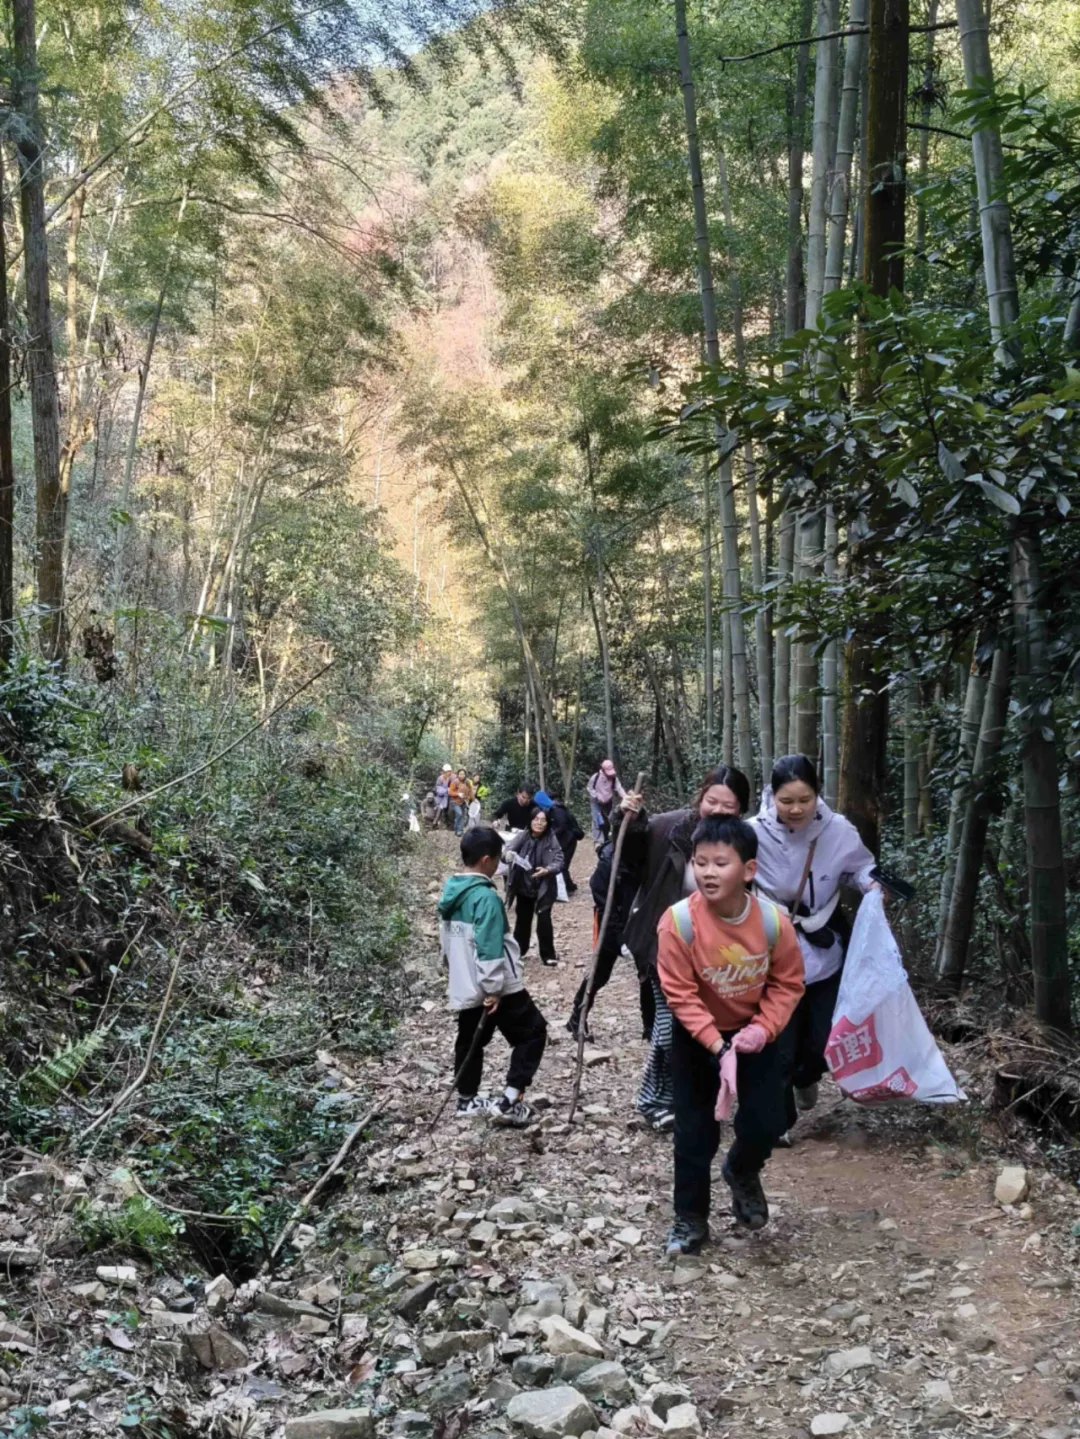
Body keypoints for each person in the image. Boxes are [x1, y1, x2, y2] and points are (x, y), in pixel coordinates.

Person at [658, 815, 804, 1253]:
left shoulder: (774, 923)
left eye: (720, 863)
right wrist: (716, 1045)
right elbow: (680, 994)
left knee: (769, 1120)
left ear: (749, 870)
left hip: (755, 1034)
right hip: (697, 1035)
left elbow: (787, 983)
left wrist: (762, 1029)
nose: (707, 872)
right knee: (694, 1131)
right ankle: (690, 1219)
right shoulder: (678, 923)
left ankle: (742, 1167)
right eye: (700, 862)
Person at [618, 765, 752, 1131]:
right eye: (712, 801)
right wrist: (628, 820)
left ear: (741, 809)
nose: (718, 811)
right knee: (669, 1026)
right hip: (666, 943)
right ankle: (653, 1100)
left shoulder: (744, 842)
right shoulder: (670, 828)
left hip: (716, 953)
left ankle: (676, 1098)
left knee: (694, 1028)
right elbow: (629, 857)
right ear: (700, 797)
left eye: (729, 806)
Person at [751, 754, 878, 1135]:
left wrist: (871, 883)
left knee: (824, 1037)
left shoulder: (838, 830)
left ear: (817, 794)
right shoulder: (752, 833)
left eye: (804, 799)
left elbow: (860, 867)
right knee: (778, 1038)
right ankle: (777, 1119)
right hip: (771, 946)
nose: (796, 809)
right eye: (786, 800)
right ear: (772, 796)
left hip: (823, 945)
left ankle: (807, 1076)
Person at [437, 826, 548, 1128]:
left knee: (471, 1040)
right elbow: (488, 946)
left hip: (466, 980)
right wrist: (493, 988)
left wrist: (455, 973)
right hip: (497, 984)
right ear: (486, 860)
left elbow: (446, 941)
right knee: (533, 1033)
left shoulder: (451, 892)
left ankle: (467, 1100)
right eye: (498, 859)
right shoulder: (485, 898)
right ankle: (510, 1101)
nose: (499, 865)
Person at [505, 807, 564, 966]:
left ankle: (548, 954)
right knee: (523, 919)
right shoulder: (523, 836)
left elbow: (559, 859)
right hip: (523, 885)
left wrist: (548, 870)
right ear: (530, 821)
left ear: (547, 823)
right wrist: (508, 856)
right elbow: (508, 850)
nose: (539, 823)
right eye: (536, 819)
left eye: (543, 820)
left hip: (544, 886)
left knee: (544, 919)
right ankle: (519, 951)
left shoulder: (551, 838)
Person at [532, 791, 585, 893]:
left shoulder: (557, 810)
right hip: (564, 840)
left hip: (568, 840)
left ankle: (568, 888)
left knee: (562, 864)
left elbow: (562, 826)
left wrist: (549, 835)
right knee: (560, 863)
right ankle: (568, 887)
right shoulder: (551, 809)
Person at [586, 760, 626, 844]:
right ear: (603, 770)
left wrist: (625, 797)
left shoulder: (614, 778)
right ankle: (598, 841)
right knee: (598, 820)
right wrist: (597, 796)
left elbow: (619, 788)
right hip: (596, 802)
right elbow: (589, 788)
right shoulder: (596, 777)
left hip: (608, 802)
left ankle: (606, 837)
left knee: (608, 820)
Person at [448, 768, 470, 837]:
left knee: (463, 816)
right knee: (459, 814)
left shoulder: (467, 782)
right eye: (460, 774)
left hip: (463, 802)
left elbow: (470, 791)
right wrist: (458, 794)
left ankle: (460, 830)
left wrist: (469, 798)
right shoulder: (455, 782)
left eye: (463, 774)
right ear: (458, 775)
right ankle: (456, 830)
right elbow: (450, 792)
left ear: (465, 775)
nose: (462, 775)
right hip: (455, 802)